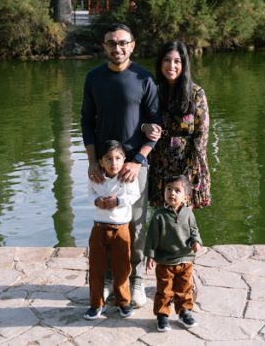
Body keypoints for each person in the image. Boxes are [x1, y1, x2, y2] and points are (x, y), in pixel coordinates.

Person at [80, 23, 161, 307]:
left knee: (136, 226)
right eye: (112, 43)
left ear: (132, 45)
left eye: (123, 42)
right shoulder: (94, 78)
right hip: (103, 166)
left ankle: (136, 281)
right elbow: (87, 121)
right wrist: (92, 161)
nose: (117, 48)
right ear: (104, 46)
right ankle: (105, 281)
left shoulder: (144, 78)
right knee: (105, 225)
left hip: (134, 167)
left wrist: (138, 161)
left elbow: (156, 125)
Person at [146, 41, 211, 210]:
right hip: (159, 161)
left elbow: (201, 135)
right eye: (167, 60)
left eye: (177, 61)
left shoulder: (196, 93)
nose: (171, 66)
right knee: (162, 216)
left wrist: (193, 169)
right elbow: (140, 122)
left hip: (187, 161)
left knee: (182, 218)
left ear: (184, 64)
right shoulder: (154, 91)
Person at [84, 140, 141, 320]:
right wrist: (97, 201)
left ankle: (123, 302)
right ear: (101, 161)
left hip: (121, 229)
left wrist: (119, 202)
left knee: (122, 268)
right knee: (96, 268)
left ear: (124, 160)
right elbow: (89, 194)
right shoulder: (95, 177)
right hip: (99, 228)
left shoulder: (127, 178)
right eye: (108, 159)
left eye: (118, 158)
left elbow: (135, 195)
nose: (113, 163)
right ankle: (95, 304)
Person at [144, 174, 203, 332]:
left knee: (184, 288)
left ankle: (184, 312)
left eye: (177, 190)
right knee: (164, 290)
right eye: (169, 189)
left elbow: (194, 231)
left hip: (185, 259)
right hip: (165, 261)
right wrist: (150, 255)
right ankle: (162, 315)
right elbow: (151, 238)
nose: (172, 193)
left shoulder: (188, 214)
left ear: (186, 197)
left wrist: (196, 242)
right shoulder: (159, 216)